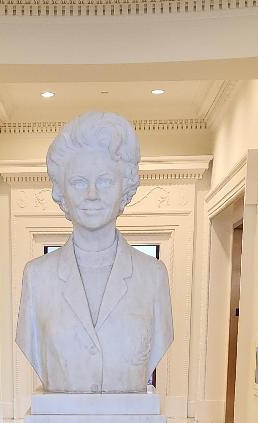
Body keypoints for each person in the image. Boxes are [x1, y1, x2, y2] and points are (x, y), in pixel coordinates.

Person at [15, 112, 173, 393]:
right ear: (61, 191)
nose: (91, 194)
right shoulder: (37, 277)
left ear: (125, 189)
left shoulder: (153, 275)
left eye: (104, 181)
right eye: (78, 182)